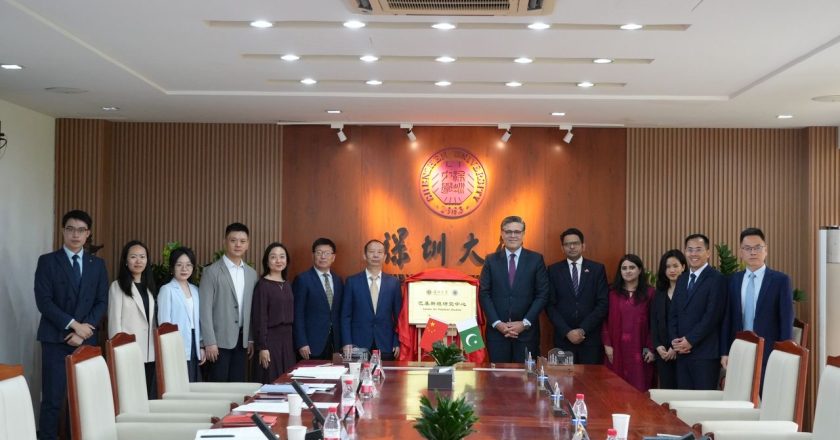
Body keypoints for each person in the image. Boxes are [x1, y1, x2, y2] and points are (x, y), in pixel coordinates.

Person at [34, 210, 108, 440]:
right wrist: (75, 325)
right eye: (70, 229)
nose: (75, 234)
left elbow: (101, 300)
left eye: (81, 230)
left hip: (86, 339)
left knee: (85, 398)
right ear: (63, 231)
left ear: (88, 234)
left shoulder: (97, 264)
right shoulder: (47, 261)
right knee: (52, 399)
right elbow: (43, 301)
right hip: (55, 339)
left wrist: (86, 329)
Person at [721, 227, 794, 383]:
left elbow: (786, 319)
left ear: (765, 250)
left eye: (757, 248)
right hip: (739, 349)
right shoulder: (732, 280)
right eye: (747, 248)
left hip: (769, 351)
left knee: (766, 397)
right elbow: (727, 319)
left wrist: (784, 354)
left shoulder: (780, 280)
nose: (752, 252)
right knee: (741, 398)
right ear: (741, 252)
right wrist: (725, 352)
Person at [479, 216, 550, 363]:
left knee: (526, 381)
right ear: (502, 234)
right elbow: (484, 293)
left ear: (523, 234)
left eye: (517, 232)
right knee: (498, 381)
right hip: (497, 334)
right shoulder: (491, 260)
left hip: (526, 334)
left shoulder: (536, 259)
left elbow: (542, 294)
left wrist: (524, 323)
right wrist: (497, 323)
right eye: (508, 231)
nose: (513, 235)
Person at [200, 222, 257, 382]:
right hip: (218, 342)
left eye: (242, 241)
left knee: (237, 385)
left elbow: (251, 309)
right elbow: (204, 309)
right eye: (233, 240)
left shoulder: (251, 274)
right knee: (218, 386)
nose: (238, 244)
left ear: (248, 244)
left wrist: (250, 338)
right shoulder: (211, 272)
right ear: (224, 242)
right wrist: (209, 341)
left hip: (242, 341)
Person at [669, 233, 727, 390]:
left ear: (708, 253)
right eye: (690, 249)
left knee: (703, 403)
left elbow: (712, 316)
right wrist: (675, 340)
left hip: (705, 353)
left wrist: (690, 341)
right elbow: (673, 313)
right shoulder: (682, 279)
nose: (693, 254)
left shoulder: (717, 279)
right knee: (683, 403)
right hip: (682, 352)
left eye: (698, 249)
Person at [546, 228, 609, 364]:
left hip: (590, 338)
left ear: (583, 246)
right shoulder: (553, 270)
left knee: (591, 383)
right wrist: (567, 331)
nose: (572, 247)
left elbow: (603, 304)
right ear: (562, 248)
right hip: (563, 339)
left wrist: (582, 329)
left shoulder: (597, 269)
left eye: (576, 243)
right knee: (563, 382)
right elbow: (550, 305)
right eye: (568, 244)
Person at [108, 240, 158, 398]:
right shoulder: (117, 287)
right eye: (133, 257)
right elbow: (114, 323)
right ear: (125, 261)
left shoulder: (150, 286)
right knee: (130, 396)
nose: (138, 261)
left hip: (149, 353)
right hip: (128, 351)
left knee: (147, 396)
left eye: (142, 257)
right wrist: (117, 353)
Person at [341, 239, 402, 361]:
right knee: (358, 378)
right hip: (358, 343)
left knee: (387, 378)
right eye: (371, 251)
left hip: (386, 342)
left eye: (379, 252)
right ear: (364, 255)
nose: (375, 255)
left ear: (384, 257)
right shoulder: (352, 282)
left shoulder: (393, 283)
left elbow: (398, 317)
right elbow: (345, 316)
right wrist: (347, 342)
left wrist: (396, 341)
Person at [602, 254, 655, 392]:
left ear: (639, 270)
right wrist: (607, 343)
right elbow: (603, 320)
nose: (628, 271)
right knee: (615, 389)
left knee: (639, 389)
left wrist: (651, 347)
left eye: (632, 267)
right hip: (616, 348)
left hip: (640, 349)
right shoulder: (611, 292)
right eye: (624, 268)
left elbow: (655, 322)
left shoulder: (650, 293)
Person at [251, 243, 297, 382]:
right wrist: (263, 347)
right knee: (271, 380)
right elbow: (260, 318)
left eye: (282, 257)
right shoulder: (263, 285)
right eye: (273, 257)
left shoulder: (287, 284)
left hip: (287, 340)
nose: (278, 261)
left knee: (287, 380)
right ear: (267, 261)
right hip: (270, 340)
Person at [293, 238, 344, 360]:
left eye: (327, 253)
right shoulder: (303, 279)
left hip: (334, 343)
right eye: (319, 252)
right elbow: (297, 313)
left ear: (333, 257)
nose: (323, 257)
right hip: (311, 344)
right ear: (313, 255)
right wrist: (301, 342)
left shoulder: (338, 280)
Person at [158, 246, 204, 382]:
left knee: (193, 382)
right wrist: (167, 349)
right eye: (179, 265)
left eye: (188, 265)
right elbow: (164, 324)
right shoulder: (167, 290)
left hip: (194, 343)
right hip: (176, 344)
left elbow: (198, 321)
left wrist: (201, 345)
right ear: (172, 268)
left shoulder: (195, 290)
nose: (184, 269)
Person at [650, 249, 687, 389]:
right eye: (667, 267)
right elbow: (653, 321)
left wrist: (675, 348)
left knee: (682, 392)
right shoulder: (659, 293)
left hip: (682, 351)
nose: (671, 270)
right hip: (662, 353)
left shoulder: (689, 291)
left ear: (683, 267)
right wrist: (658, 346)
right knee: (666, 391)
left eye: (675, 266)